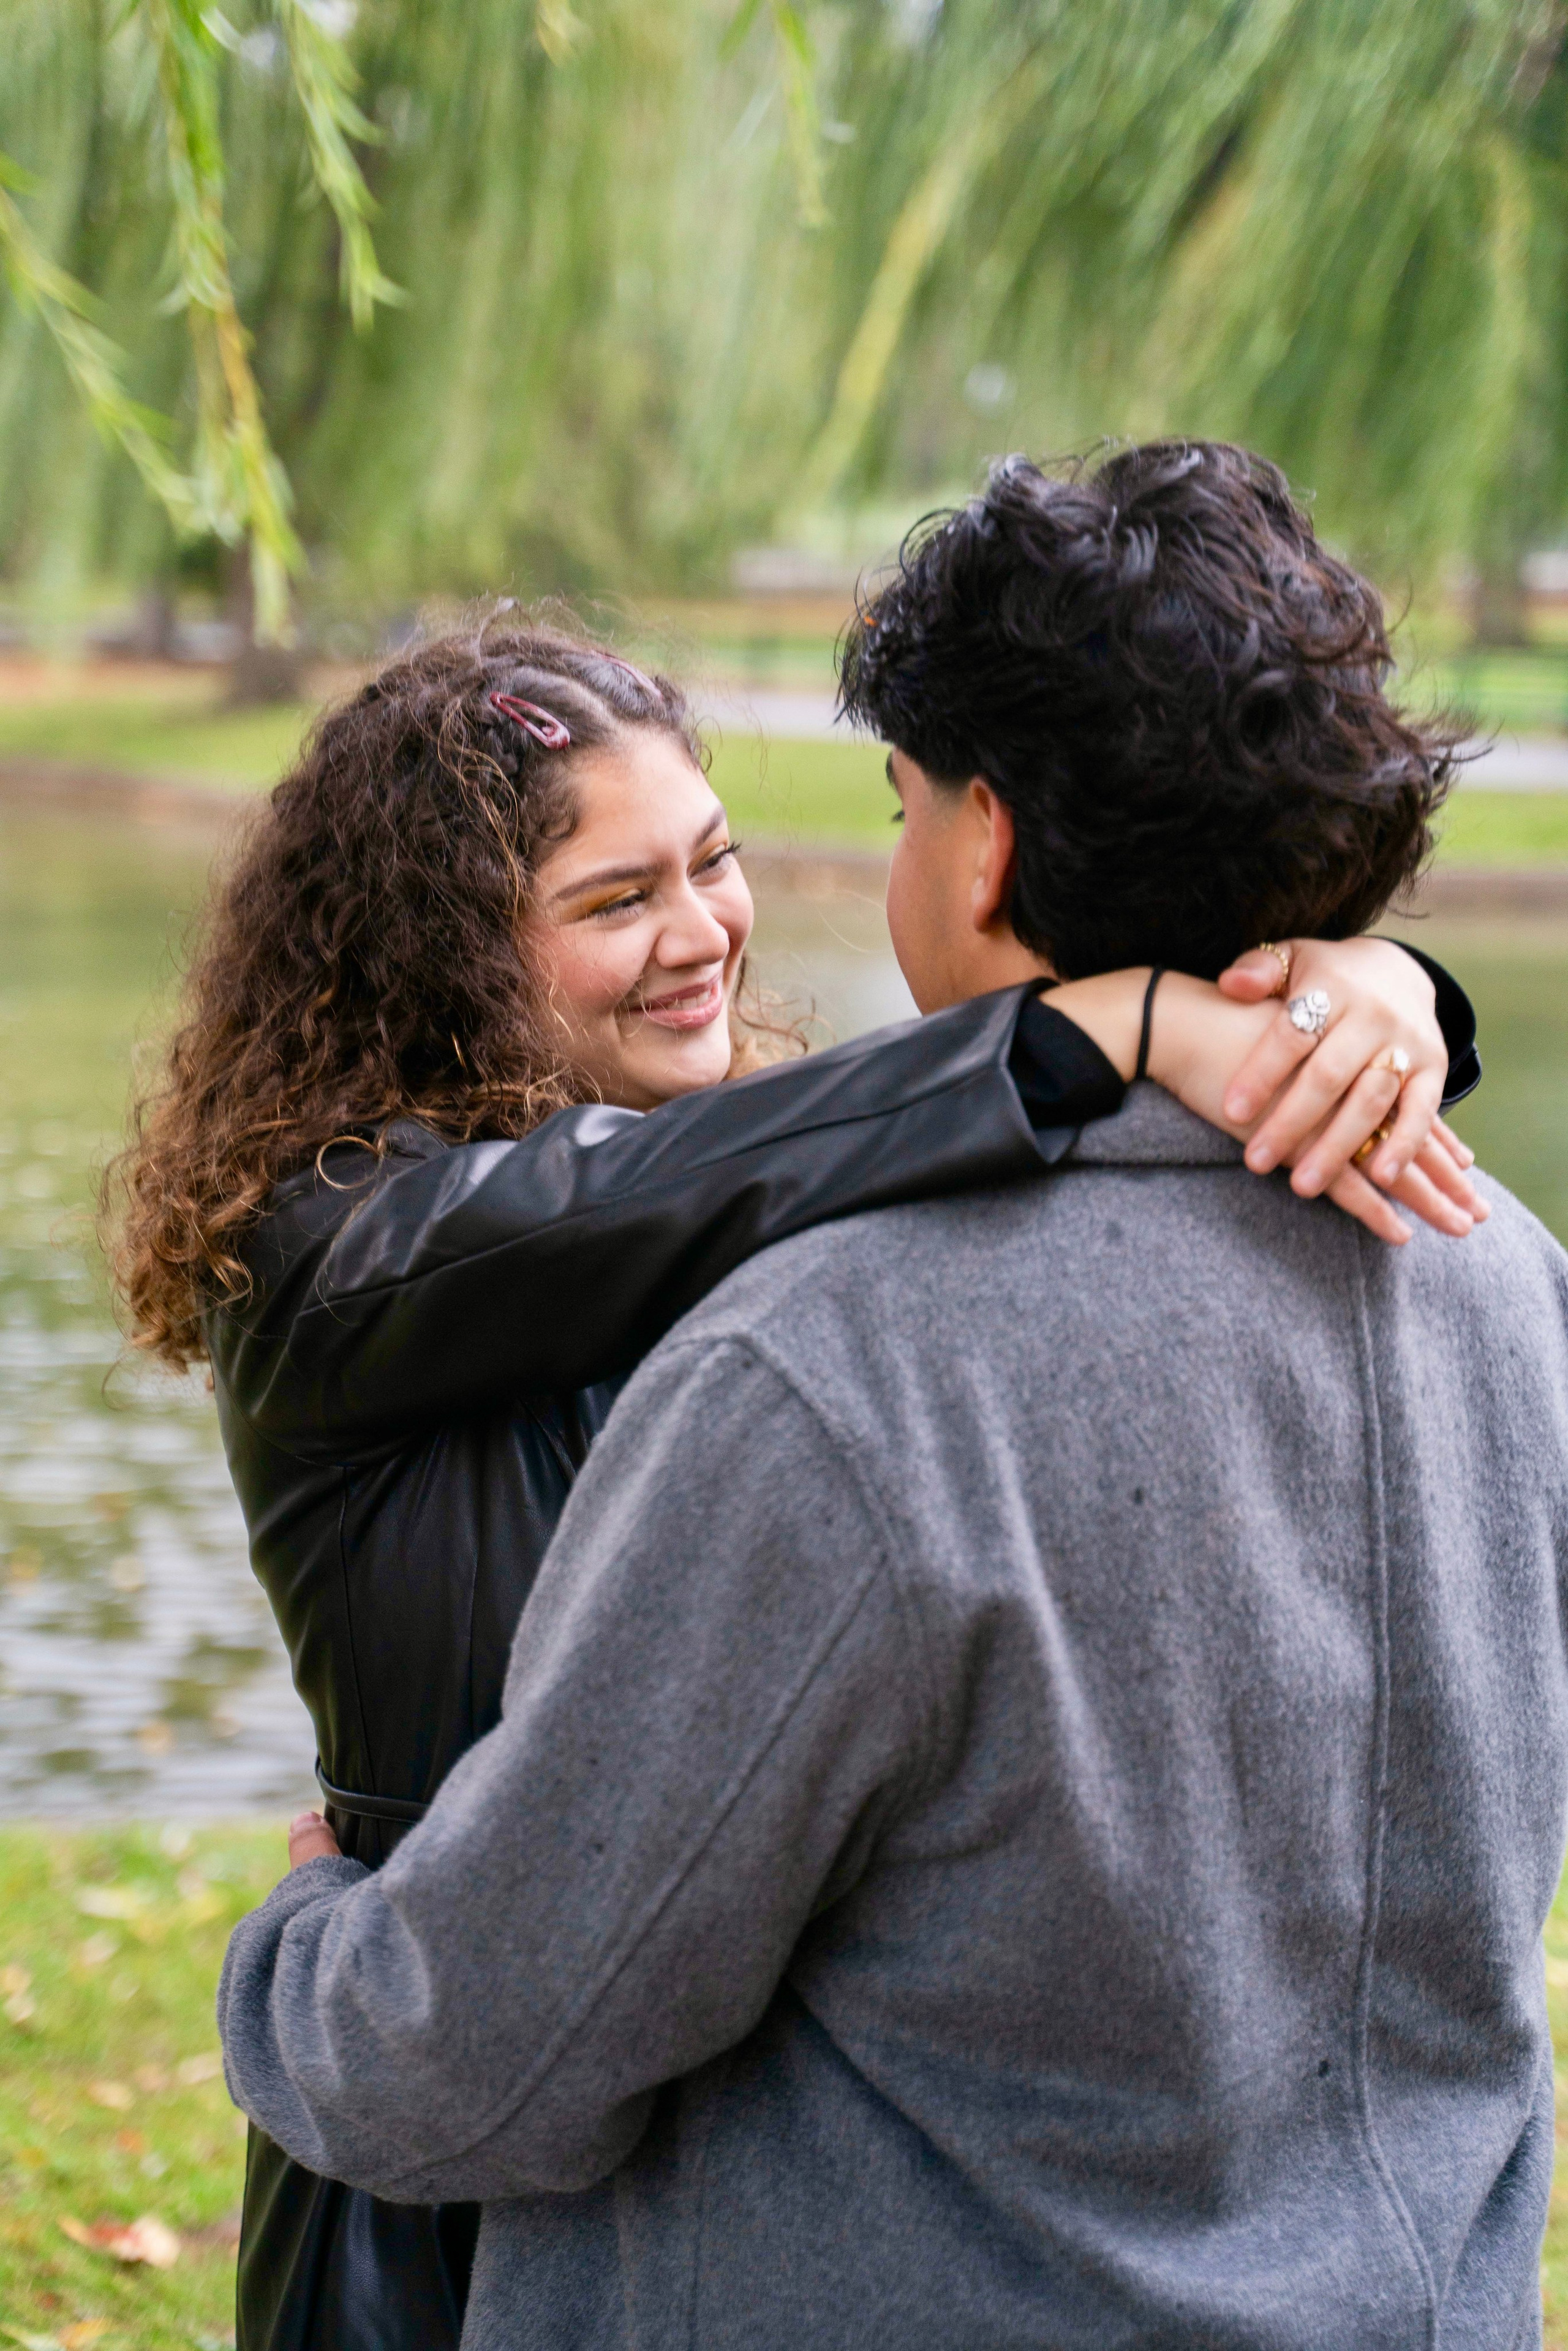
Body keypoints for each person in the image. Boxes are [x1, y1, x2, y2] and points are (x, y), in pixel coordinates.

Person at [217, 444, 1568, 2349]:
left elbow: (480, 2048)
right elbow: (645, 1199)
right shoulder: (1504, 1276)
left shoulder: (830, 1337)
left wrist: (1377, 986)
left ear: (985, 843)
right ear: (439, 950)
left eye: (728, 857)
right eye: (618, 895)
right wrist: (1156, 1008)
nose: (710, 928)